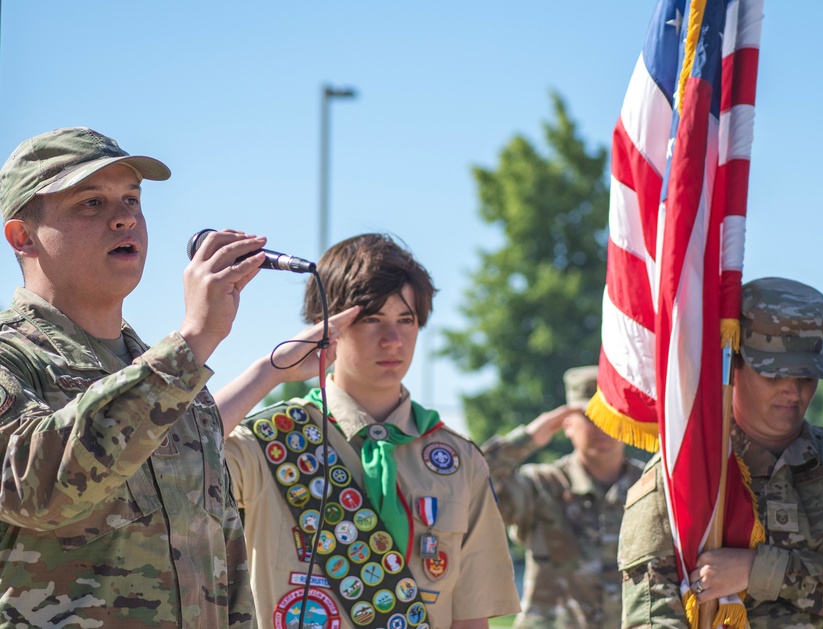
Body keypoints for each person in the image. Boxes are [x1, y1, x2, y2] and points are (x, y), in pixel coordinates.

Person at [0, 127, 261, 627]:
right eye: (90, 203)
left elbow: (226, 562)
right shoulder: (14, 360)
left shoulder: (182, 384)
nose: (124, 218)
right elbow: (34, 493)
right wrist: (188, 348)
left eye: (132, 200)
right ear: (23, 237)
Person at [218, 233, 521, 629]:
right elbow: (170, 453)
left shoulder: (458, 459)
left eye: (406, 320)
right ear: (325, 327)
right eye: (371, 319)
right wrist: (270, 371)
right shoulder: (267, 440)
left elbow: (470, 618)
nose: (393, 340)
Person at [618, 277, 823, 628]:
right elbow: (651, 614)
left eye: (806, 376)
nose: (793, 391)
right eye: (774, 374)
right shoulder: (682, 475)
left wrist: (762, 570)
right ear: (734, 365)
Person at [481, 365, 645, 628]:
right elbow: (471, 485)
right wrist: (528, 438)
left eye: (611, 416)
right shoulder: (541, 485)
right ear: (566, 423)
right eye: (590, 417)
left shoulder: (649, 487)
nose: (602, 428)